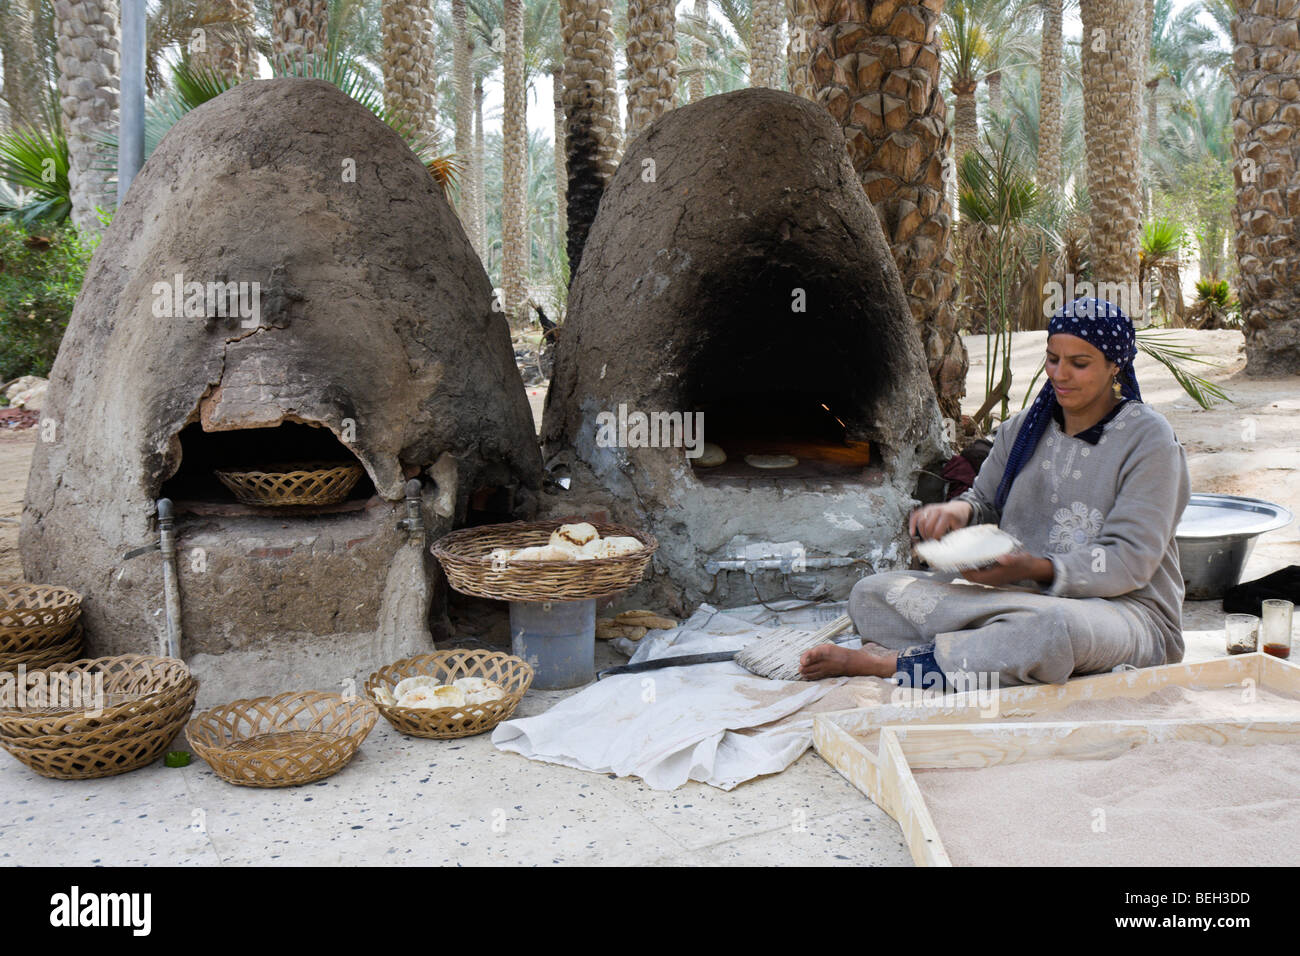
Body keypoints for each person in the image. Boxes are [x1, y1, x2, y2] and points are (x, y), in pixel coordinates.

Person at [800, 298, 1191, 687]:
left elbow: (1129, 560)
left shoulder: (1149, 440)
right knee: (872, 595)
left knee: (1047, 631)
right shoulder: (1023, 429)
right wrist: (957, 514)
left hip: (1122, 613)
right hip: (1014, 596)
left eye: (1079, 363)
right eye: (1052, 359)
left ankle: (892, 664)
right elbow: (984, 503)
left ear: (1115, 366)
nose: (1060, 374)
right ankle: (976, 649)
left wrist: (1036, 569)